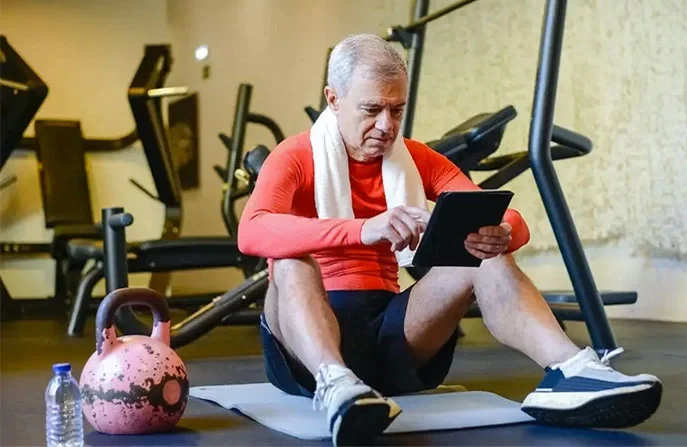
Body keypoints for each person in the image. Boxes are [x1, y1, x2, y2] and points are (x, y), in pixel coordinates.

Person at [238, 33, 662, 446]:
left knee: (480, 250)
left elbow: (506, 216)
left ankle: (571, 371)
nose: (386, 126)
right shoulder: (295, 155)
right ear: (333, 99)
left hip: (391, 335)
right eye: (372, 110)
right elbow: (252, 230)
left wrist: (501, 234)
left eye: (397, 110)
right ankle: (336, 385)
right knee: (289, 261)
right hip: (307, 349)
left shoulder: (416, 158)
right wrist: (364, 229)